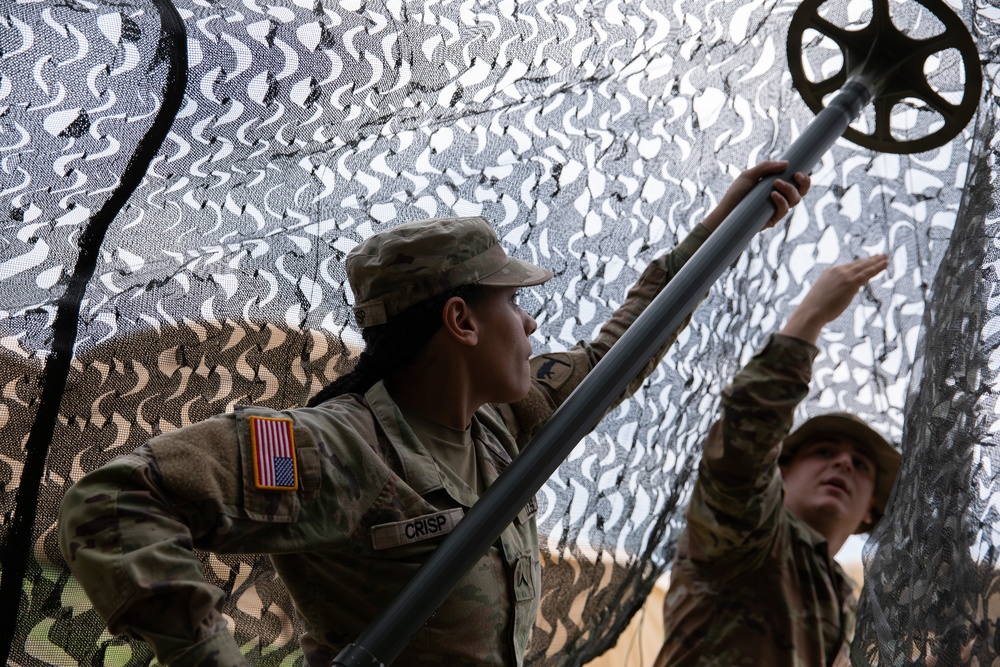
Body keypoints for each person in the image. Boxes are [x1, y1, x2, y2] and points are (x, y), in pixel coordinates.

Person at [58, 161, 809, 667]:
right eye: (514, 301)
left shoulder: (504, 422)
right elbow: (112, 501)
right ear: (461, 320)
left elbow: (624, 350)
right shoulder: (334, 447)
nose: (533, 325)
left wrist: (721, 229)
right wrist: (206, 655)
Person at [653, 254, 902, 667]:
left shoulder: (848, 602)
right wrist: (810, 317)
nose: (842, 463)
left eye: (861, 465)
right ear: (780, 472)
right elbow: (741, 448)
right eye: (824, 452)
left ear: (870, 511)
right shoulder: (751, 536)